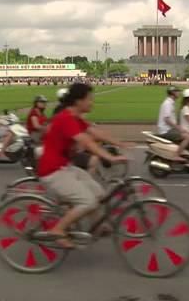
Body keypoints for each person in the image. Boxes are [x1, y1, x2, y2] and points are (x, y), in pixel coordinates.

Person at [38, 83, 128, 249]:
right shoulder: (66, 118)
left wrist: (120, 143)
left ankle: (96, 226)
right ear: (79, 101)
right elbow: (85, 141)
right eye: (90, 99)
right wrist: (108, 156)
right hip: (53, 171)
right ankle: (58, 230)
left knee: (99, 193)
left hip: (65, 167)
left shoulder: (75, 117)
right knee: (88, 201)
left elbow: (94, 132)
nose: (92, 103)